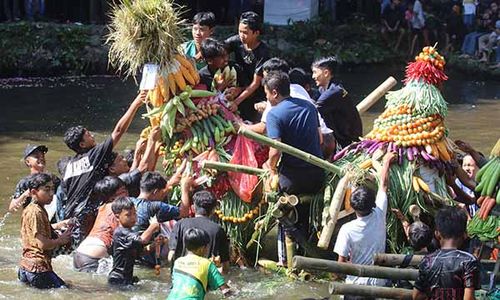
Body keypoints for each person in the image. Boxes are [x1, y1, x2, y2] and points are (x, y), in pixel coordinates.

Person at [62, 91, 146, 246]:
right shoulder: (93, 155)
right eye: (88, 135)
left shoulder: (68, 165)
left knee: (77, 251)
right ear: (82, 144)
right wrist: (136, 104)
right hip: (85, 214)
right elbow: (118, 131)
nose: (92, 135)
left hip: (69, 215)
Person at [333, 151, 396, 291]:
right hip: (379, 283)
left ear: (353, 207)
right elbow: (384, 186)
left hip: (355, 286)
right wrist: (386, 162)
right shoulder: (379, 214)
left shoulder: (346, 229)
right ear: (373, 203)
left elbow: (340, 266)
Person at [250, 58, 336, 159]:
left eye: (266, 78)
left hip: (315, 149)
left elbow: (264, 129)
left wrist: (241, 126)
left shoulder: (273, 113)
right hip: (328, 140)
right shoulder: (298, 89)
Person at [18, 173, 73, 289]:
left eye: (53, 189)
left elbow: (35, 232)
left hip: (25, 267)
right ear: (34, 192)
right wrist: (61, 240)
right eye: (46, 190)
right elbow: (42, 244)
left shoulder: (32, 209)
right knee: (68, 291)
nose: (51, 194)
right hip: (38, 269)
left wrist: (59, 225)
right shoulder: (36, 212)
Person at [413, 206, 480, 300]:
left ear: (437, 233)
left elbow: (417, 296)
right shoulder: (469, 260)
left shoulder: (427, 260)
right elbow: (468, 298)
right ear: (464, 234)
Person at [73, 176, 128, 273]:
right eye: (123, 191)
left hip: (80, 253)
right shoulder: (118, 208)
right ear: (113, 197)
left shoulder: (101, 208)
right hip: (93, 256)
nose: (127, 193)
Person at [168, 190, 230, 274]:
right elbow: (225, 267)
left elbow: (171, 255)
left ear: (193, 208)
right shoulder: (218, 229)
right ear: (213, 210)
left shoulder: (180, 225)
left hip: (180, 279)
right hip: (204, 281)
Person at [225, 11, 270, 122]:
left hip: (255, 93)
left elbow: (255, 83)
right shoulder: (236, 41)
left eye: (245, 32)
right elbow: (218, 51)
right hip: (237, 87)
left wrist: (236, 102)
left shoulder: (263, 52)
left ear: (256, 33)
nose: (241, 35)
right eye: (239, 31)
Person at [311, 57, 362, 149]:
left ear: (326, 73)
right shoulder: (323, 89)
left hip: (348, 139)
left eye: (315, 72)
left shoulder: (334, 92)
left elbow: (313, 110)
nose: (313, 76)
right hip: (340, 133)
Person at [168, 228, 233, 299]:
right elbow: (226, 290)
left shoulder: (178, 262)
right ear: (202, 248)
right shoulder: (207, 264)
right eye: (207, 246)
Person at [108, 197, 159, 286]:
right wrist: (153, 226)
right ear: (117, 217)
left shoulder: (129, 233)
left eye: (135, 213)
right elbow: (142, 240)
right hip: (118, 278)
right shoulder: (121, 232)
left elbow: (141, 252)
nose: (133, 217)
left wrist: (155, 244)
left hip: (126, 277)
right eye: (128, 215)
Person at [9, 144, 60, 212]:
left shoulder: (53, 179)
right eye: (37, 156)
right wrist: (25, 194)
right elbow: (12, 208)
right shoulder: (25, 182)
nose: (41, 158)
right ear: (28, 162)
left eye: (42, 156)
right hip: (32, 217)